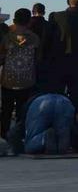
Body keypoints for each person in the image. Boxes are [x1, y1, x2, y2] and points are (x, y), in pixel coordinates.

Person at [0, 8, 41, 138]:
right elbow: (38, 58)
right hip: (27, 80)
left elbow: (1, 56)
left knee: (6, 110)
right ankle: (18, 137)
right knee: (22, 112)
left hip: (8, 80)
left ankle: (3, 135)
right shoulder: (34, 38)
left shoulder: (7, 38)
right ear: (29, 22)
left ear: (14, 20)